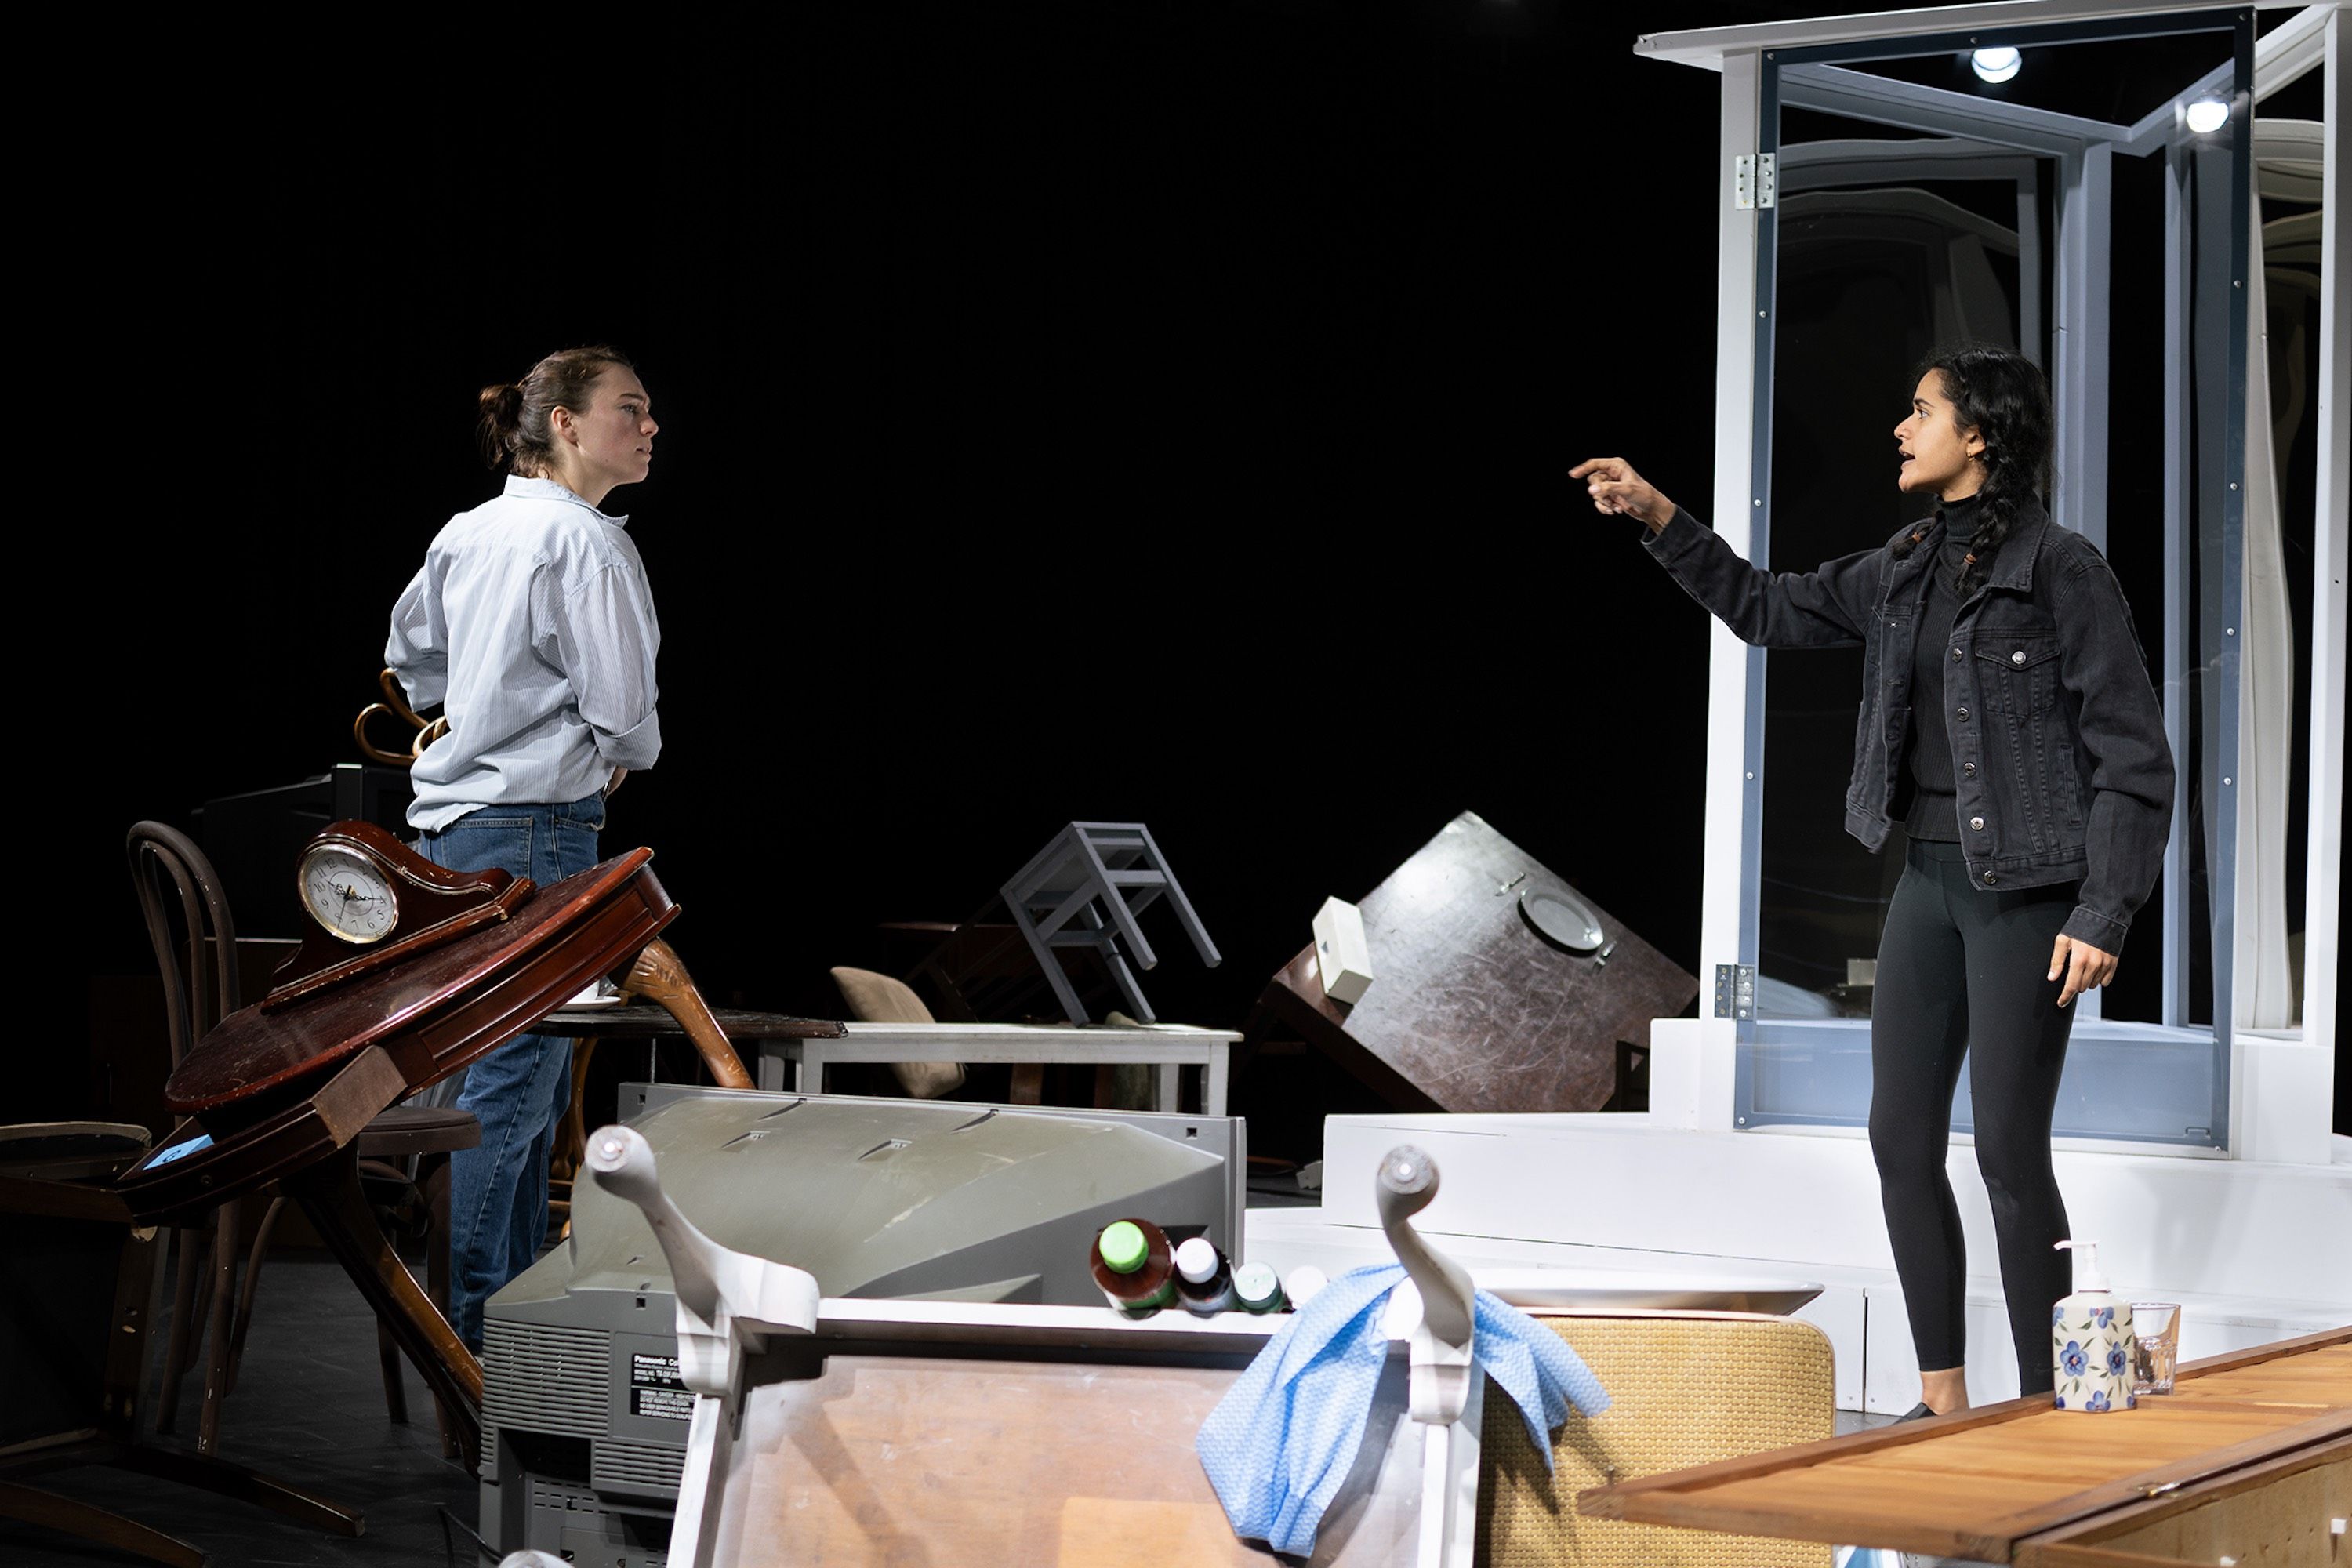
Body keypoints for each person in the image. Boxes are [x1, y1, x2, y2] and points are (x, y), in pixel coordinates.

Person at [1572, 345, 2172, 1415]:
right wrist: (1661, 515)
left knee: (2006, 1150)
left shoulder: (2060, 569)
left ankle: (2047, 1405)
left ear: (1978, 435)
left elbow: (2133, 756)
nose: (1901, 428)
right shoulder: (1905, 564)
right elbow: (1766, 606)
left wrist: (2104, 908)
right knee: (1899, 1138)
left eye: (1920, 410)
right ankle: (1941, 1393)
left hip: (2029, 892)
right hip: (1929, 883)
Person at [385, 344, 664, 1348]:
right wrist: (607, 747)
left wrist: (477, 713)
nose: (648, 426)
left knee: (497, 1087)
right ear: (564, 423)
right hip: (539, 829)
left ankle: (484, 1331)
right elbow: (628, 713)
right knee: (515, 1091)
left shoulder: (468, 530)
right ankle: (484, 1347)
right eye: (628, 408)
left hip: (455, 831)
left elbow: (411, 660)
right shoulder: (588, 543)